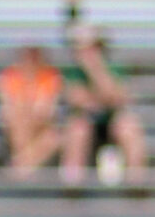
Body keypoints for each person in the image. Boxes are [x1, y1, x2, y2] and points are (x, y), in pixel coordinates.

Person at [60, 26, 148, 186]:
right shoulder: (72, 72)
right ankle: (73, 180)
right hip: (87, 124)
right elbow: (79, 99)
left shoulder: (115, 69)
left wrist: (96, 70)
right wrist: (102, 98)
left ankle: (136, 178)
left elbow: (117, 97)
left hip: (111, 123)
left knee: (129, 126)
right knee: (77, 129)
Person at [0, 46, 64, 180]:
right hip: (18, 127)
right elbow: (7, 112)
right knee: (18, 120)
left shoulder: (50, 75)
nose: (30, 59)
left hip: (42, 129)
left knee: (53, 137)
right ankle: (27, 165)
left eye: (34, 53)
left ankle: (20, 165)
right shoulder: (10, 75)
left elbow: (47, 112)